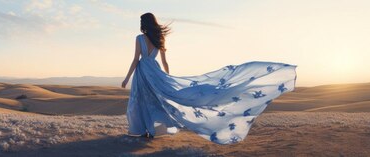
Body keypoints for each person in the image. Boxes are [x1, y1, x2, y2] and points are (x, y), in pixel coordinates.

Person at [121, 12, 297, 144]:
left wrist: (127, 78)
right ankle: (151, 131)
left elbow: (136, 60)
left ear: (144, 24)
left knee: (141, 101)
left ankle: (144, 130)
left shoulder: (139, 38)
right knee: (155, 101)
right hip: (156, 72)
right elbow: (165, 62)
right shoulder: (159, 38)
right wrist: (167, 77)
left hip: (143, 72)